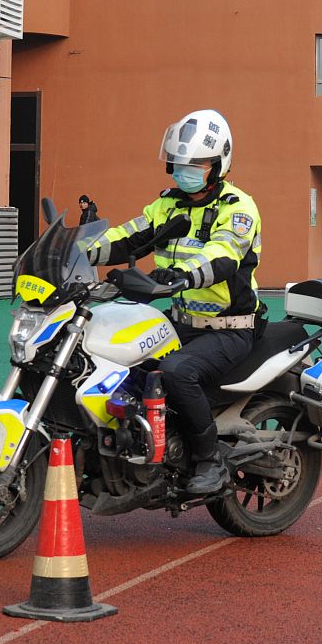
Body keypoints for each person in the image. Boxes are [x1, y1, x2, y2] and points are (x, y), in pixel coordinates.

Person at [88, 110, 261, 495]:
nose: (186, 170)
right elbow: (130, 236)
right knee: (124, 364)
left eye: (196, 164)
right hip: (181, 321)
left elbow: (222, 255)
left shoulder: (238, 208)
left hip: (229, 328)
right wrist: (82, 250)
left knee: (178, 372)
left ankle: (209, 462)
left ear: (218, 165)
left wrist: (184, 274)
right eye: (180, 163)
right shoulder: (167, 204)